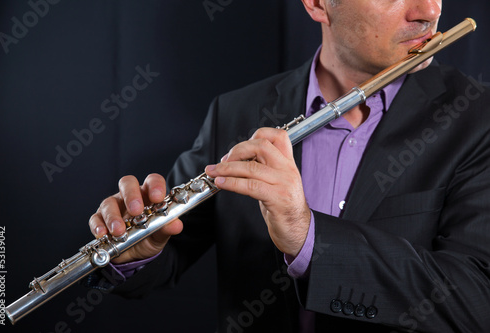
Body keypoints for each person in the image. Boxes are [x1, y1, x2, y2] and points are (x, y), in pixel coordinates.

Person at [87, 0, 490, 332]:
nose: (428, 11)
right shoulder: (237, 112)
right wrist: (133, 253)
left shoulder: (477, 118)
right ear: (317, 4)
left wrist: (308, 237)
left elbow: (476, 300)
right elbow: (169, 253)